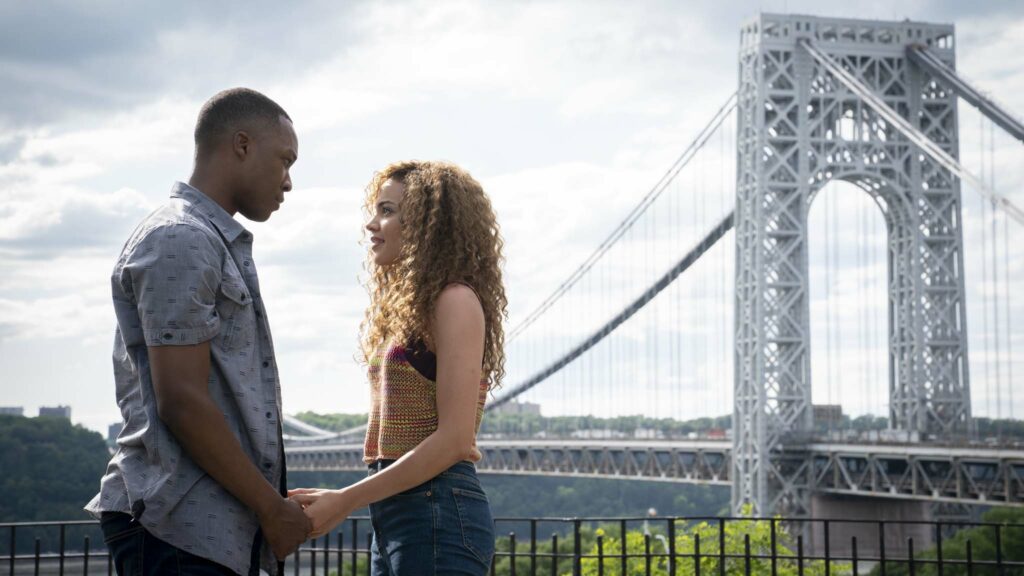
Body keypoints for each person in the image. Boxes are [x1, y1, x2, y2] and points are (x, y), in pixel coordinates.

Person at [85, 88, 311, 576]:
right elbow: (182, 400)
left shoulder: (206, 239)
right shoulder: (181, 237)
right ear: (242, 145)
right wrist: (272, 509)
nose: (288, 181)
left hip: (209, 529)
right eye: (285, 160)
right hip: (178, 528)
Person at [289, 161, 507, 575]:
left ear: (428, 224)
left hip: (437, 511)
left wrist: (346, 499)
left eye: (387, 211)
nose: (372, 224)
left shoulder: (455, 300)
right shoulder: (412, 310)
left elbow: (456, 440)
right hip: (397, 513)